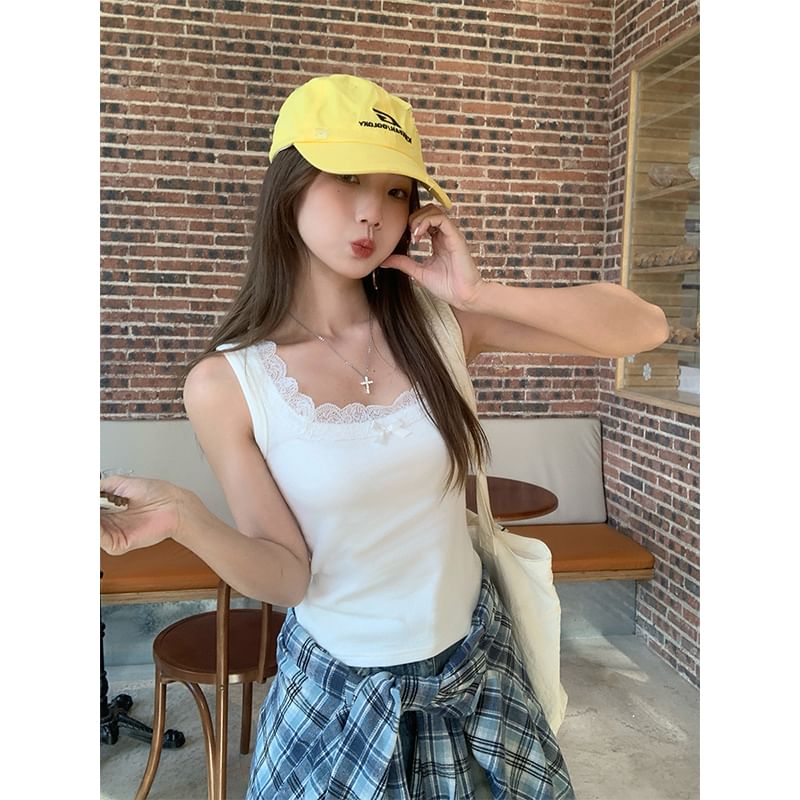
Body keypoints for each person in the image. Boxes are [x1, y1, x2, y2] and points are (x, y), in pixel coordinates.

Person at [100, 74, 668, 799]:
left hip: (476, 670)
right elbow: (289, 578)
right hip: (338, 699)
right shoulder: (228, 383)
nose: (373, 210)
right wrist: (187, 518)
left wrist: (474, 293)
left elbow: (644, 326)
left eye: (396, 190)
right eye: (346, 177)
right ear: (289, 186)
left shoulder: (440, 326)